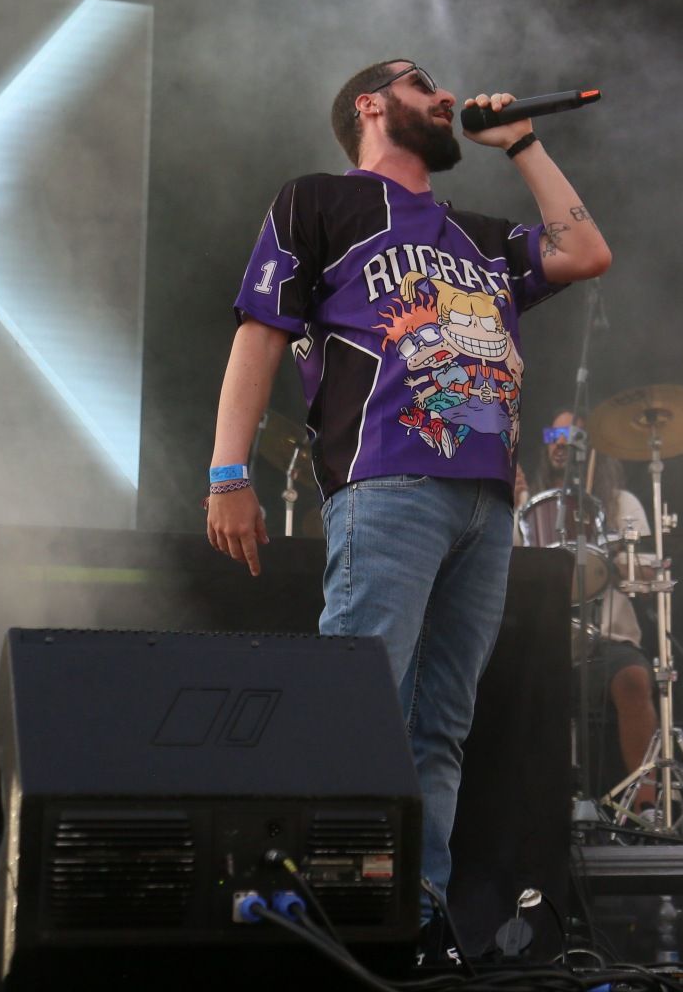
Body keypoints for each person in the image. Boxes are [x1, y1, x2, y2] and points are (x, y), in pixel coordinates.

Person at [204, 60, 611, 932]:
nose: (445, 95)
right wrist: (228, 471)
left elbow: (585, 252)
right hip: (389, 482)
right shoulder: (320, 201)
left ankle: (410, 915)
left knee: (440, 727)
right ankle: (320, 907)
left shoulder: (481, 234)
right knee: (359, 699)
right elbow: (259, 332)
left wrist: (525, 143)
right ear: (370, 104)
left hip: (488, 501)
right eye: (422, 81)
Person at [519, 409, 659, 809]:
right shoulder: (530, 508)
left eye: (573, 435)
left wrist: (609, 552)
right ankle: (538, 807)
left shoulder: (619, 503)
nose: (561, 441)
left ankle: (645, 804)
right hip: (547, 638)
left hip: (610, 638)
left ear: (594, 448)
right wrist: (517, 507)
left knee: (632, 679)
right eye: (554, 432)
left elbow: (647, 574)